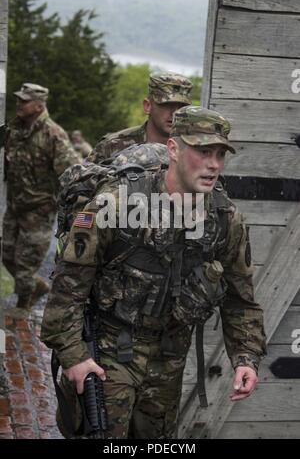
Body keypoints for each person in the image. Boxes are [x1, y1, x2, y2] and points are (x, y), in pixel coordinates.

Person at [41, 106, 266, 439]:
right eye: (203, 151)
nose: (214, 164)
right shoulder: (116, 205)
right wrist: (74, 358)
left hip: (169, 361)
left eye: (220, 154)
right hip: (108, 354)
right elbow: (67, 289)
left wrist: (245, 358)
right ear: (174, 149)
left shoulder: (225, 220)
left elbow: (240, 301)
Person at [2, 82, 79, 310]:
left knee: (25, 268)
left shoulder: (53, 135)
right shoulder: (15, 130)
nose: (19, 104)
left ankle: (22, 308)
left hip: (39, 212)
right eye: (18, 100)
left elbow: (73, 172)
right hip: (15, 208)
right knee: (6, 255)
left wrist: (64, 206)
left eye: (24, 101)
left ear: (38, 106)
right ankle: (37, 286)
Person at [88, 72, 193, 163]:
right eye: (166, 105)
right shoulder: (113, 146)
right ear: (148, 106)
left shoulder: (193, 149)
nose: (175, 113)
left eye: (182, 107)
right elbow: (82, 182)